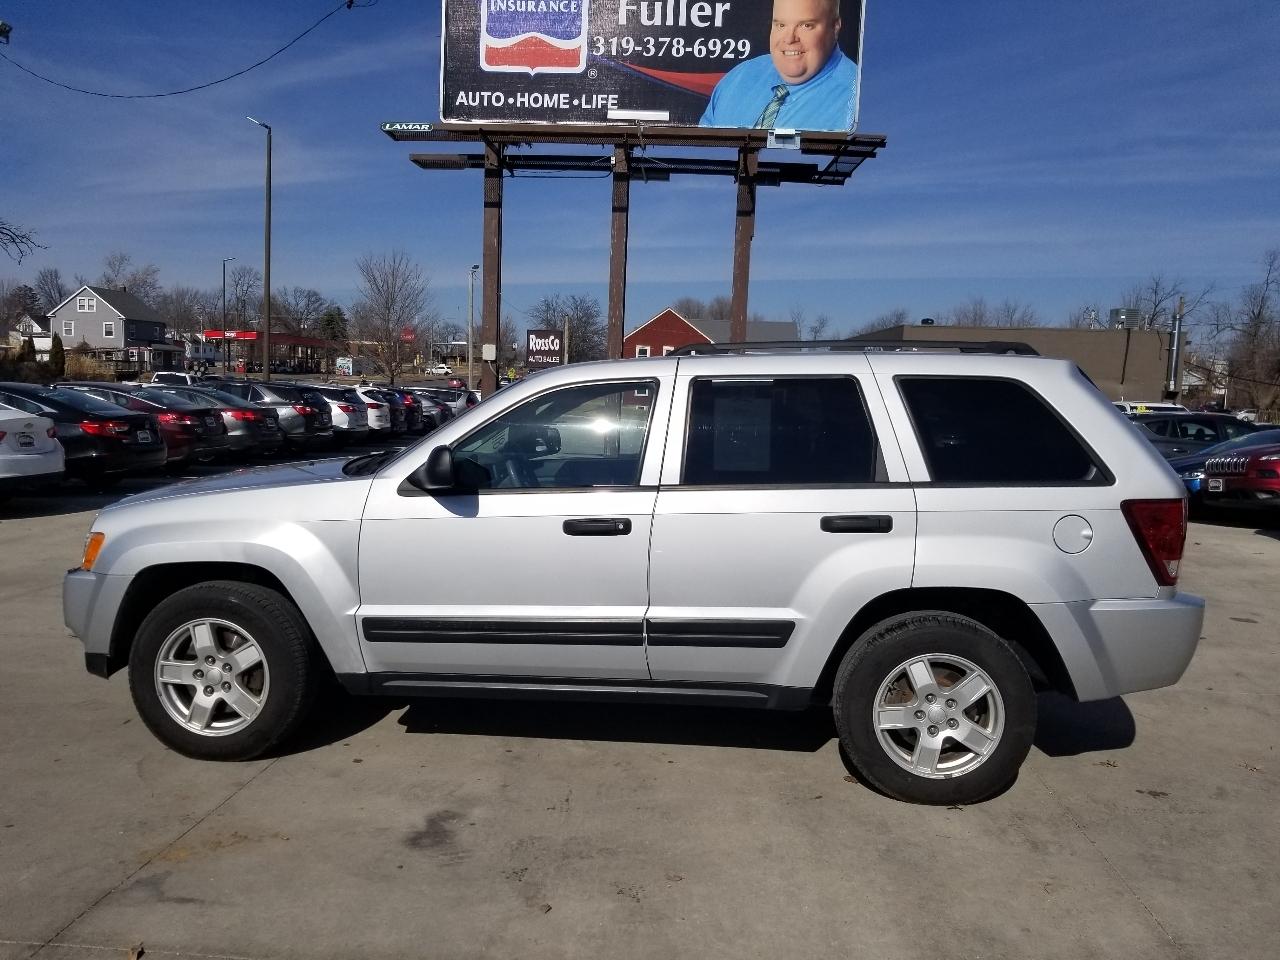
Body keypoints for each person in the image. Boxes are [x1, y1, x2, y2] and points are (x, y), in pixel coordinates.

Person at [698, 0, 857, 132]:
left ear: (835, 27)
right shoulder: (738, 79)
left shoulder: (857, 101)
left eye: (806, 25)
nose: (789, 39)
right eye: (781, 25)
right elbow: (701, 156)